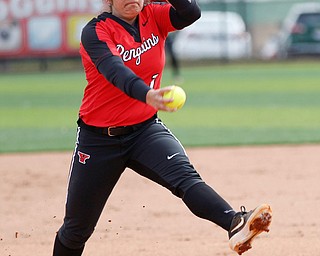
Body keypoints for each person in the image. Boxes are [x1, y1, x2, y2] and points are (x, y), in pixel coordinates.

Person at [52, 0, 272, 255]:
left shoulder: (154, 16)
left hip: (145, 131)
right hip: (99, 140)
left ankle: (235, 223)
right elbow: (114, 71)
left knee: (186, 179)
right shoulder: (96, 31)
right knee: (77, 229)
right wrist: (146, 94)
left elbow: (191, 12)